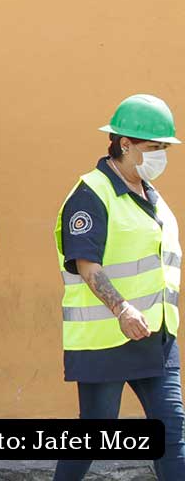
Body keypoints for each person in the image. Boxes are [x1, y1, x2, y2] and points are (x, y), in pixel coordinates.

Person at [53, 95, 185, 480]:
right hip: (105, 337)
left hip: (156, 336)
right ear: (124, 144)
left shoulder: (153, 200)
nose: (160, 155)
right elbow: (86, 263)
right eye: (153, 147)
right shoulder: (91, 193)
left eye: (165, 147)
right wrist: (122, 309)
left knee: (172, 432)